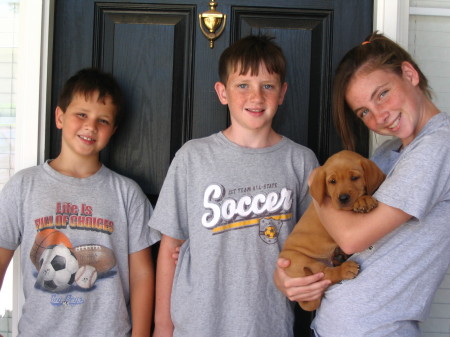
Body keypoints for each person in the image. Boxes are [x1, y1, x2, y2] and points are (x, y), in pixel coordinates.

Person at [149, 35, 329, 337]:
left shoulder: (301, 161)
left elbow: (317, 243)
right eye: (242, 85)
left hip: (267, 324)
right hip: (198, 324)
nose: (256, 97)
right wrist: (162, 327)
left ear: (282, 93)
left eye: (267, 86)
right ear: (223, 92)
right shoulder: (193, 157)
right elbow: (171, 246)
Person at [277, 31, 450, 336]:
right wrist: (290, 281)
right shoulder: (387, 153)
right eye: (364, 112)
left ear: (409, 74)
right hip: (335, 324)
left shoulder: (438, 146)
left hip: (379, 328)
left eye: (382, 93)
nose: (379, 115)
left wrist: (318, 182)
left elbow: (351, 238)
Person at [0, 68, 160, 337]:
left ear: (113, 130)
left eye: (103, 121)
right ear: (60, 117)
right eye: (81, 115)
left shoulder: (127, 193)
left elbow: (142, 277)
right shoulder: (24, 186)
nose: (91, 126)